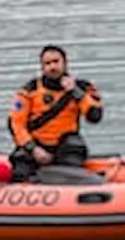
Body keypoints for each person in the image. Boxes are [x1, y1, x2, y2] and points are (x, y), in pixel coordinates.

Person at [7, 44, 105, 183]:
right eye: (48, 63)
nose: (52, 67)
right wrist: (33, 149)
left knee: (73, 156)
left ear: (65, 63)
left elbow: (95, 116)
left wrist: (76, 93)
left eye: (56, 62)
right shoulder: (29, 91)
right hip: (36, 145)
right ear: (42, 67)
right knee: (20, 171)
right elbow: (15, 124)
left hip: (65, 146)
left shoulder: (83, 88)